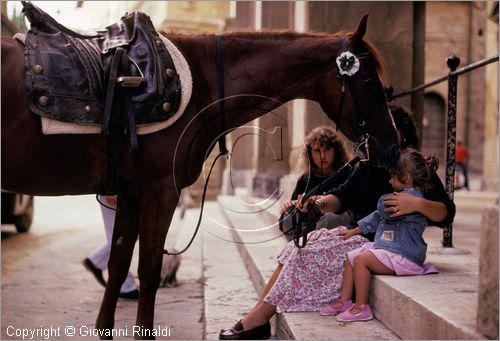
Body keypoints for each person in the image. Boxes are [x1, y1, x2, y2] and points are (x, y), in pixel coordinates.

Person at [218, 103, 455, 340]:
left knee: (305, 253)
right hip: (354, 233)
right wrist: (318, 203)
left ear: (401, 134)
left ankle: (255, 321)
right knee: (293, 249)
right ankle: (257, 317)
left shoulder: (413, 169)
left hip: (379, 245)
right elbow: (341, 195)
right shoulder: (367, 165)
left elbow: (446, 214)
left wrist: (417, 205)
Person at [320, 149, 439, 321]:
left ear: (406, 177)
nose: (389, 181)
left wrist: (382, 200)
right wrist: (354, 231)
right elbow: (377, 216)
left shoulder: (410, 198)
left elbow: (382, 209)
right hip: (390, 248)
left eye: (392, 177)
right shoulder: (401, 196)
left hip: (404, 255)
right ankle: (344, 300)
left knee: (361, 261)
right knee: (350, 257)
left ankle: (361, 307)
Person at [280, 126, 352, 231]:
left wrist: (324, 202)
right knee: (287, 219)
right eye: (317, 150)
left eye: (327, 150)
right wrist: (291, 204)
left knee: (330, 219)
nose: (322, 156)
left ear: (336, 151)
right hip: (309, 224)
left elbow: (353, 208)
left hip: (336, 223)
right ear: (309, 153)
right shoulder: (305, 179)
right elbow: (297, 206)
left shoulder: (347, 174)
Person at [83, 195, 139, 299]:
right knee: (117, 237)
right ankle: (126, 286)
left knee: (131, 233)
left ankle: (96, 261)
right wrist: (109, 191)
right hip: (114, 187)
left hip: (131, 189)